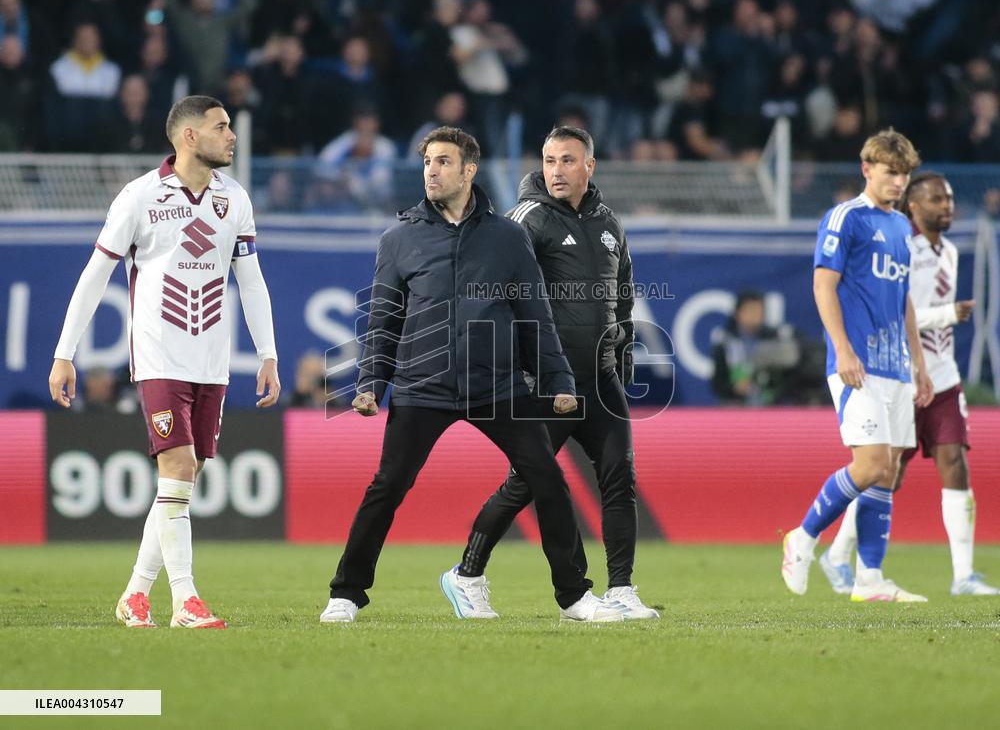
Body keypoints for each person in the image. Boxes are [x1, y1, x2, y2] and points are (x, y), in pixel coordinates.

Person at [320, 126, 623, 624]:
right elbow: (382, 319)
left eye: (442, 162)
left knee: (547, 479)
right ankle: (346, 594)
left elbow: (535, 317)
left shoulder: (507, 237)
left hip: (498, 388)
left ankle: (574, 598)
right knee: (388, 486)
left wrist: (560, 384)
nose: (431, 171)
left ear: (469, 170)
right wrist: (371, 383)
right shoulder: (399, 238)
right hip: (423, 386)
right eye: (427, 163)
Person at [49, 95, 280, 629]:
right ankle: (187, 601)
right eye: (222, 127)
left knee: (182, 479)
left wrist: (267, 353)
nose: (232, 136)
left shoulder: (234, 198)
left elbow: (250, 280)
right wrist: (65, 353)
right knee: (177, 469)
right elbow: (94, 277)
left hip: (211, 359)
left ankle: (134, 593)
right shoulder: (141, 197)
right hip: (158, 355)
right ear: (189, 137)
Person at [439, 126, 657, 620]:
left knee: (619, 478)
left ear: (589, 167)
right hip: (548, 382)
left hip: (600, 380)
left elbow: (622, 292)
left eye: (567, 160)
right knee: (526, 483)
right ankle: (466, 574)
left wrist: (620, 347)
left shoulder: (608, 222)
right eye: (549, 160)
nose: (556, 170)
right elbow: (490, 288)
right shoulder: (527, 219)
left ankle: (621, 588)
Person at [819, 173, 998, 596]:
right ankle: (837, 554)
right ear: (913, 206)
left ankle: (963, 576)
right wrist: (948, 314)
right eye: (937, 199)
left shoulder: (950, 251)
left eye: (950, 199)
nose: (947, 206)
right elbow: (900, 314)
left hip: (944, 376)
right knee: (882, 475)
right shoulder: (900, 248)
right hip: (898, 374)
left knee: (954, 461)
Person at [781, 128, 934, 603]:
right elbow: (823, 286)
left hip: (895, 364)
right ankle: (803, 538)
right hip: (858, 363)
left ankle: (870, 577)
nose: (898, 182)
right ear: (867, 169)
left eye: (905, 175)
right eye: (891, 173)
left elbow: (905, 299)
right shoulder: (845, 217)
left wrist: (920, 363)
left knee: (887, 470)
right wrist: (843, 349)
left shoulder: (901, 228)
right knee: (868, 465)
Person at [710, 289, 800, 406]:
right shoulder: (725, 342)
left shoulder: (775, 338)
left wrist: (773, 391)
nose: (755, 315)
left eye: (758, 310)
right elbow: (717, 382)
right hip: (735, 405)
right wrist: (733, 388)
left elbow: (789, 376)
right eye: (750, 310)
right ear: (738, 313)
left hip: (772, 406)